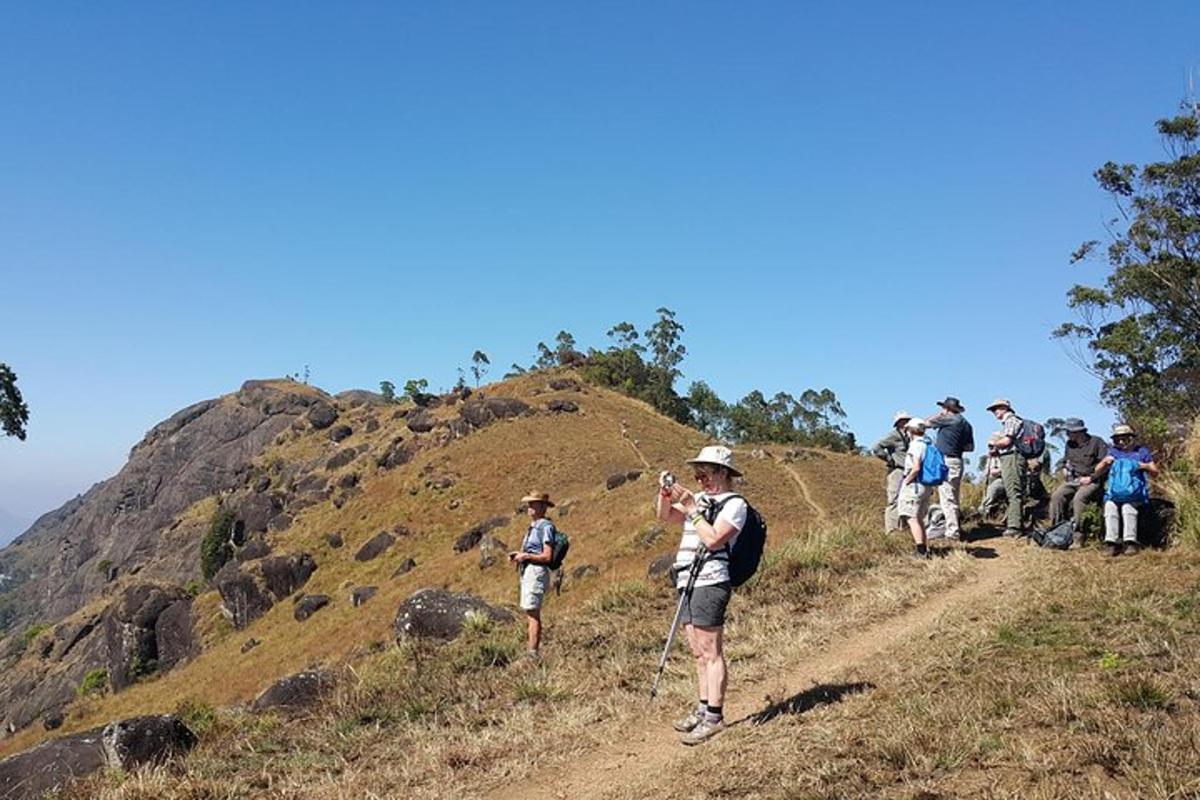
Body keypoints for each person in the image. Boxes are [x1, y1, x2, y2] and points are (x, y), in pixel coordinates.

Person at [656, 445, 747, 746]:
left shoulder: (735, 505)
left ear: (723, 472)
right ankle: (703, 708)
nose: (700, 480)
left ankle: (714, 717)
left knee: (711, 651)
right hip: (688, 580)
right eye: (697, 476)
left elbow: (713, 539)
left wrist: (693, 509)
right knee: (697, 651)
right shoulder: (700, 501)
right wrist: (665, 494)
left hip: (711, 581)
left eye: (705, 474)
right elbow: (664, 517)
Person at [1092, 425, 1159, 556]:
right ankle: (1111, 543)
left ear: (1131, 438)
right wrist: (1105, 463)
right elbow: (1097, 471)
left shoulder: (1141, 452)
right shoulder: (1112, 452)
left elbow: (1155, 472)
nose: (1121, 442)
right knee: (1110, 508)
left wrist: (1143, 466)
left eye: (1124, 439)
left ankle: (1130, 542)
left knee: (1128, 509)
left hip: (1135, 493)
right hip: (1114, 493)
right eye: (1117, 440)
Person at [508, 491, 558, 658]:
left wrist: (526, 556)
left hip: (535, 571)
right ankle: (531, 651)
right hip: (529, 571)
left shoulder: (545, 527)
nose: (529, 507)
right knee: (530, 611)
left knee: (533, 612)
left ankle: (533, 653)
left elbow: (547, 555)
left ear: (542, 507)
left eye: (533, 504)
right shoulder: (535, 526)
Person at [1048, 418, 1108, 545]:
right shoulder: (1070, 445)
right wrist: (1064, 468)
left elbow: (1106, 465)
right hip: (1074, 480)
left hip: (1092, 481)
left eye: (1069, 431)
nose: (1067, 434)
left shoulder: (1097, 442)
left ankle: (1078, 535)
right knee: (1057, 496)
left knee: (1079, 498)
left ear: (1078, 432)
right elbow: (1065, 461)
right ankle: (1056, 531)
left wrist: (1091, 478)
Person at [926, 396, 975, 542]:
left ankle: (952, 532)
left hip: (947, 460)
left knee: (947, 498)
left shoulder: (948, 419)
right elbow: (970, 447)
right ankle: (954, 527)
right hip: (958, 460)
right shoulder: (966, 424)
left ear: (947, 409)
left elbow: (924, 423)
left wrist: (939, 416)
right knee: (953, 496)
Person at [986, 398, 1026, 537]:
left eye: (996, 408)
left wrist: (994, 445)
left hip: (1012, 457)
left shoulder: (1012, 420)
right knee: (1011, 491)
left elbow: (1007, 440)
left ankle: (1015, 527)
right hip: (1008, 457)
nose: (994, 412)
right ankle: (1012, 523)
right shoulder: (1008, 422)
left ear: (1004, 408)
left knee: (1014, 492)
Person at [871, 411, 913, 534]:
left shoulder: (909, 436)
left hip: (908, 472)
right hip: (897, 471)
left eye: (908, 420)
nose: (907, 422)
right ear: (899, 423)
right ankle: (891, 531)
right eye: (905, 420)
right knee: (894, 500)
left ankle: (903, 528)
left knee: (906, 500)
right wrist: (889, 459)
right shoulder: (893, 436)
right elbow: (876, 447)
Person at [898, 418, 934, 558]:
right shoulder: (928, 443)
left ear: (911, 430)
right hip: (926, 484)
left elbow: (916, 468)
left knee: (912, 518)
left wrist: (906, 481)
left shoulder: (915, 445)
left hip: (915, 485)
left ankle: (921, 551)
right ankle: (925, 549)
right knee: (920, 518)